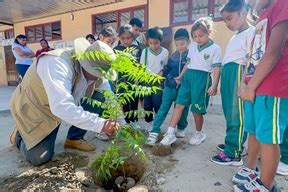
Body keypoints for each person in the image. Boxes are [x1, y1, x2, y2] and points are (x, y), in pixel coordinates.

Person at [9, 38, 118, 166]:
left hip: (57, 104)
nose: (99, 77)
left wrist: (121, 122)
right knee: (40, 157)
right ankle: (18, 135)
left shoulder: (96, 67)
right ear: (86, 63)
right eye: (96, 73)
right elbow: (61, 107)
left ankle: (74, 138)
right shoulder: (57, 63)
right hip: (36, 106)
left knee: (101, 96)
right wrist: (101, 125)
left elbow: (110, 97)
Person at [233, 0, 288, 191]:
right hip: (255, 82)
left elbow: (273, 53)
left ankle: (266, 184)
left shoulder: (282, 5)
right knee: (253, 129)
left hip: (272, 86)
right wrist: (244, 83)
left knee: (268, 137)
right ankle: (251, 168)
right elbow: (252, 55)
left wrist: (251, 86)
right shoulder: (261, 16)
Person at [160, 17, 222, 146]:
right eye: (195, 36)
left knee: (196, 110)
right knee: (179, 104)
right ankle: (170, 133)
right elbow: (188, 63)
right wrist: (181, 76)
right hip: (188, 77)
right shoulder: (193, 47)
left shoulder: (215, 48)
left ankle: (199, 133)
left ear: (209, 33)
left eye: (201, 35)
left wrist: (215, 85)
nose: (198, 39)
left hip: (202, 79)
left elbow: (216, 68)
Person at [210, 0, 255, 166]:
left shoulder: (252, 32)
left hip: (238, 72)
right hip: (229, 72)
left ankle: (232, 153)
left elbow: (250, 59)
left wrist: (244, 82)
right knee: (229, 111)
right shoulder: (236, 36)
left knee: (237, 113)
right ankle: (234, 143)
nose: (227, 23)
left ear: (243, 13)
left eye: (229, 18)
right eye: (225, 20)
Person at [147, 28, 190, 146]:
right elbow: (168, 70)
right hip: (170, 87)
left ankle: (181, 127)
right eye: (177, 44)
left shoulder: (191, 56)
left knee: (183, 109)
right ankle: (154, 131)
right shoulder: (172, 56)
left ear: (188, 42)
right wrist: (170, 79)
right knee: (163, 108)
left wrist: (183, 81)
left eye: (182, 44)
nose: (180, 47)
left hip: (183, 88)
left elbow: (191, 71)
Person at [113, 24, 142, 129]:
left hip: (133, 80)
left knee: (134, 101)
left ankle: (134, 121)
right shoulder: (116, 50)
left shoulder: (137, 49)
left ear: (132, 38)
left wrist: (138, 78)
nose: (125, 41)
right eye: (122, 38)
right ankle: (125, 122)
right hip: (121, 80)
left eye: (128, 38)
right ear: (119, 38)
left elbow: (140, 64)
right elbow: (114, 66)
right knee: (124, 102)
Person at [140, 27, 169, 126]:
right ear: (148, 41)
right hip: (147, 81)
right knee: (147, 103)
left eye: (156, 43)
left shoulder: (165, 52)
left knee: (158, 103)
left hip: (158, 83)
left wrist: (162, 73)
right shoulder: (145, 52)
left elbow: (165, 67)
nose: (153, 46)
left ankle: (157, 123)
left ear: (161, 41)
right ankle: (149, 123)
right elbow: (142, 68)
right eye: (151, 43)